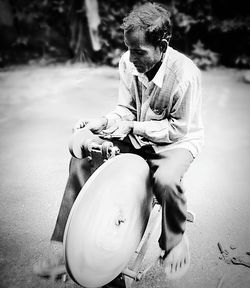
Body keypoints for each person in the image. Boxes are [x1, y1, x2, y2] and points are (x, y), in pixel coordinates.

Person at [34, 2, 204, 282]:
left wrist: (132, 126)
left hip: (177, 142)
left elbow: (178, 129)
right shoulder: (128, 61)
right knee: (84, 158)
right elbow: (124, 108)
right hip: (136, 131)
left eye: (139, 51)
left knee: (166, 181)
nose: (131, 57)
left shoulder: (186, 75)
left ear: (162, 45)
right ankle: (61, 246)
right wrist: (103, 122)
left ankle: (174, 241)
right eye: (128, 49)